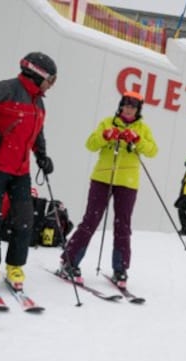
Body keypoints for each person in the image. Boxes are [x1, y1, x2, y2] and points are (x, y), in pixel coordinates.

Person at [0, 51, 57, 290]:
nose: (51, 84)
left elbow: (37, 132)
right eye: (51, 79)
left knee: (25, 218)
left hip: (20, 168)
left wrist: (42, 155)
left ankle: (15, 266)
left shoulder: (39, 102)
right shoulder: (7, 89)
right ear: (37, 74)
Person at [57, 91, 158, 288]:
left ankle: (120, 269)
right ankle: (69, 262)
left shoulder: (143, 128)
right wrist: (105, 136)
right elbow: (90, 144)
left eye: (133, 107)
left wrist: (137, 140)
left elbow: (153, 150)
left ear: (138, 111)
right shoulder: (107, 122)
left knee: (123, 226)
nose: (128, 110)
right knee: (91, 221)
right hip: (102, 178)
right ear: (121, 106)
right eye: (126, 106)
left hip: (128, 183)